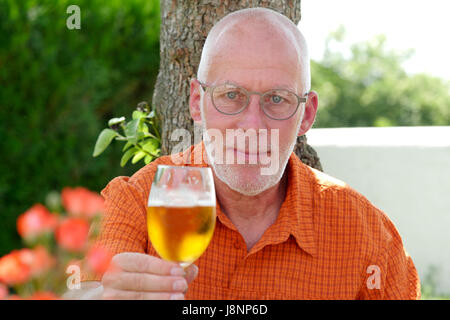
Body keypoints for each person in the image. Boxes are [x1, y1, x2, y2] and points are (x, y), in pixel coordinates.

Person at [66, 7, 420, 300]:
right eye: (231, 95)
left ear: (306, 115)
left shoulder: (367, 235)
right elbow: (82, 289)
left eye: (277, 99)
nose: (252, 125)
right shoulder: (137, 201)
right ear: (197, 102)